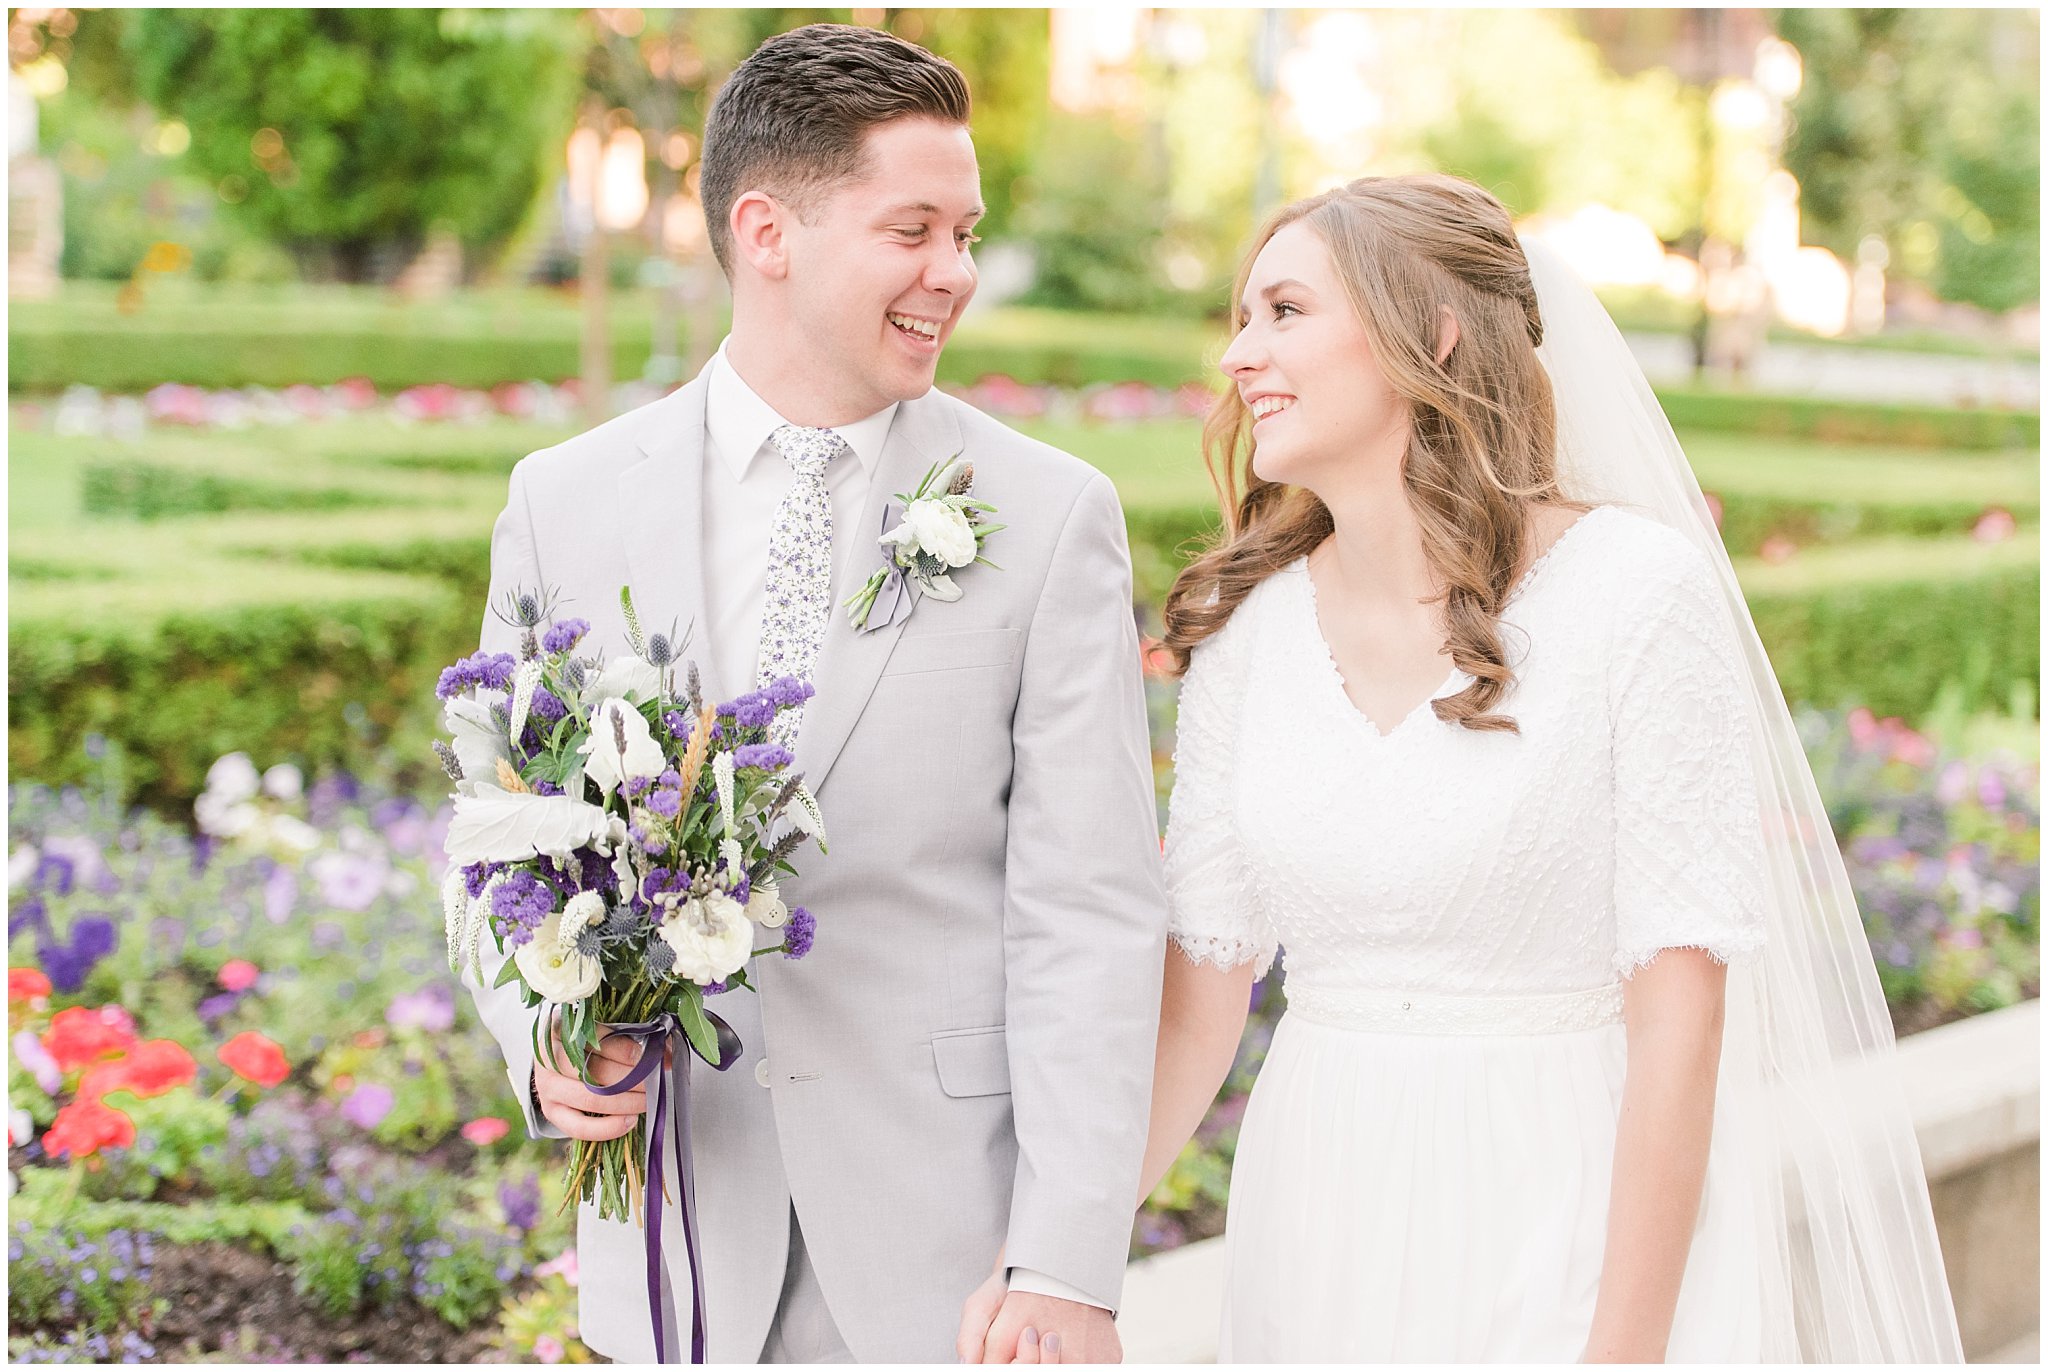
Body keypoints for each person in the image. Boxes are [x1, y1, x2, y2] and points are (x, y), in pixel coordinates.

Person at [1135, 175, 1961, 1362]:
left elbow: (1680, 1019)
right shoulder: (1248, 630)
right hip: (1313, 1222)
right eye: (1242, 316)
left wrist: (1618, 1352)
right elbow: (1196, 1006)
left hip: (1557, 1208)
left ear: (1429, 333)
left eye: (1282, 312)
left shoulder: (1633, 593)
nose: (1236, 354)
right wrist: (1054, 1258)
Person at [460, 24, 1166, 1364]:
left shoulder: (1051, 513)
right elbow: (491, 834)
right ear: (768, 231)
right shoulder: (564, 503)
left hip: (946, 1260)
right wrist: (548, 1041)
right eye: (914, 231)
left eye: (966, 233)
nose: (953, 274)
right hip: (671, 1242)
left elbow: (1090, 910)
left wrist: (1069, 1258)